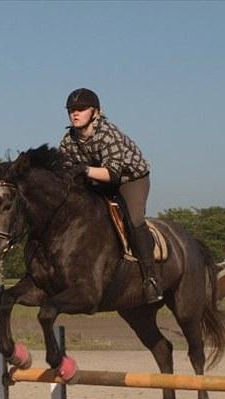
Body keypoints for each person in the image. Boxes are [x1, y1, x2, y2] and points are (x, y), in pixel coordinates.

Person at [59, 88, 162, 303]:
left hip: (130, 179)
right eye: (71, 110)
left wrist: (84, 170)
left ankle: (151, 278)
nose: (74, 114)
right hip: (96, 180)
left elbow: (113, 174)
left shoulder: (108, 133)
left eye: (80, 109)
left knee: (134, 220)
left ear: (95, 112)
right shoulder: (68, 140)